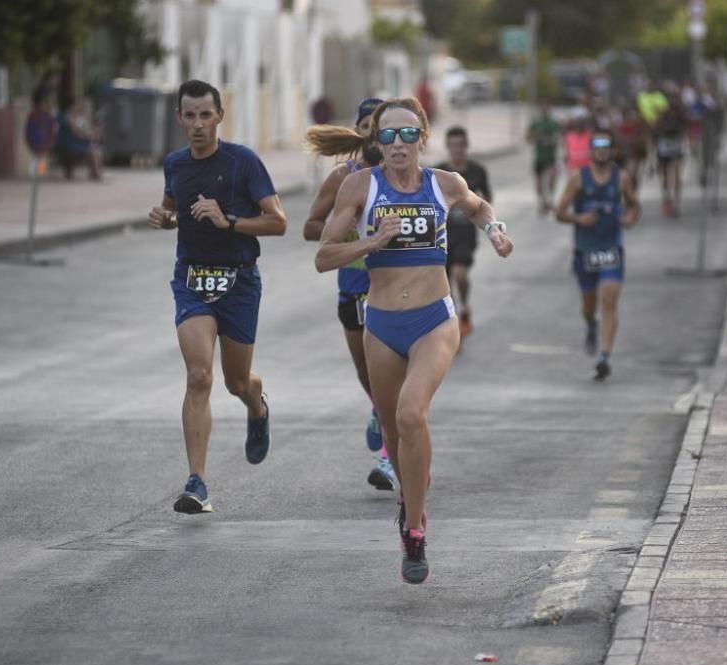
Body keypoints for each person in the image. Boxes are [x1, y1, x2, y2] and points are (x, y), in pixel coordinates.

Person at [313, 97, 513, 584]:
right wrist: (372, 242)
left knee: (409, 412)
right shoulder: (361, 185)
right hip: (380, 322)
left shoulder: (444, 183)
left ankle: (416, 531)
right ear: (375, 141)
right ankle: (410, 501)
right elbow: (324, 256)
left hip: (433, 320)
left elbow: (478, 206)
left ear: (423, 138)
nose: (397, 144)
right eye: (387, 135)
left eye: (407, 135)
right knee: (394, 431)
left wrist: (495, 230)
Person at [147, 79, 287, 514]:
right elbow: (173, 206)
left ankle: (256, 406)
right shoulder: (175, 164)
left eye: (205, 115)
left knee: (236, 381)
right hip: (192, 278)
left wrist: (229, 221)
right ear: (180, 120)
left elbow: (278, 222)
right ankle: (197, 483)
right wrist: (165, 219)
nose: (198, 124)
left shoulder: (243, 162)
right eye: (189, 116)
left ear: (220, 117)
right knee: (199, 376)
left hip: (239, 280)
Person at [303, 97, 398, 493]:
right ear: (360, 132)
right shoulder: (343, 177)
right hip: (354, 289)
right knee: (368, 374)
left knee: (394, 376)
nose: (375, 133)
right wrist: (350, 236)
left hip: (395, 290)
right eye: (368, 126)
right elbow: (311, 227)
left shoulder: (405, 175)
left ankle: (389, 460)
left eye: (382, 126)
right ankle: (378, 409)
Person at [555, 128, 640, 381]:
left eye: (606, 147)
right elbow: (559, 212)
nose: (602, 151)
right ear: (591, 151)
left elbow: (635, 205)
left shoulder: (621, 178)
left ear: (613, 151)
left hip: (612, 247)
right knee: (589, 305)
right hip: (585, 250)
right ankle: (591, 324)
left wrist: (629, 219)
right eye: (597, 147)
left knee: (610, 299)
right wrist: (578, 217)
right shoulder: (579, 179)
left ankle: (604, 357)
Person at [434, 126, 493, 339]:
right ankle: (452, 321)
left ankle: (465, 305)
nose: (457, 150)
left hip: (466, 234)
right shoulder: (438, 173)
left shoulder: (477, 171)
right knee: (445, 284)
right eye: (453, 145)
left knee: (460, 273)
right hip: (441, 235)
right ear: (448, 147)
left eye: (461, 145)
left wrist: (482, 220)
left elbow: (487, 200)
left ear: (466, 146)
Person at [654, 91, 687, 218]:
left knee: (677, 176)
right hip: (664, 149)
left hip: (676, 149)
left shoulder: (680, 116)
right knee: (666, 178)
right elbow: (655, 133)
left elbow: (684, 131)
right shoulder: (662, 117)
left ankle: (677, 203)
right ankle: (667, 199)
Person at [55, 97, 103, 180]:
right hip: (72, 144)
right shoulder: (68, 117)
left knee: (96, 150)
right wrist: (88, 136)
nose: (79, 107)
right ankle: (96, 174)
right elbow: (76, 131)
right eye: (77, 105)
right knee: (94, 151)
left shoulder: (79, 117)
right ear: (72, 106)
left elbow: (86, 129)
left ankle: (95, 173)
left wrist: (92, 133)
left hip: (80, 143)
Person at [526, 101, 559, 215]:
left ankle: (550, 199)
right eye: (543, 108)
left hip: (551, 157)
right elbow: (528, 137)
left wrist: (550, 140)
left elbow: (557, 138)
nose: (545, 110)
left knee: (551, 179)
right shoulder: (536, 122)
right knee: (539, 181)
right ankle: (542, 202)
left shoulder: (553, 122)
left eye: (547, 108)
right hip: (539, 157)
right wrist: (536, 137)